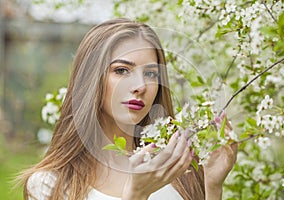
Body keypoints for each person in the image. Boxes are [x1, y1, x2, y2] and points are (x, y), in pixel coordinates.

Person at [19, 18, 237, 200]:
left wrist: (213, 187)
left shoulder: (179, 168)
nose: (140, 86)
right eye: (122, 70)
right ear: (91, 79)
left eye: (151, 74)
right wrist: (136, 195)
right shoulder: (50, 185)